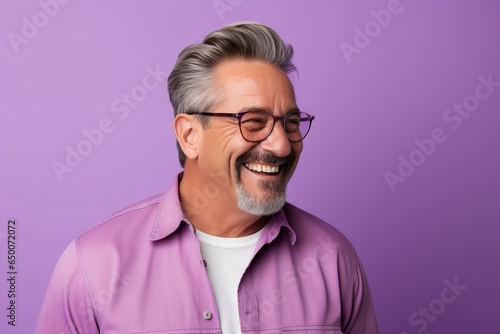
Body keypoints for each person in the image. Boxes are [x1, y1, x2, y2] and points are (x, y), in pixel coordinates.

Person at [36, 22, 379, 334]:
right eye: (254, 121)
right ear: (189, 135)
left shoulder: (333, 258)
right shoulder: (93, 263)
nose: (282, 145)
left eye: (291, 123)